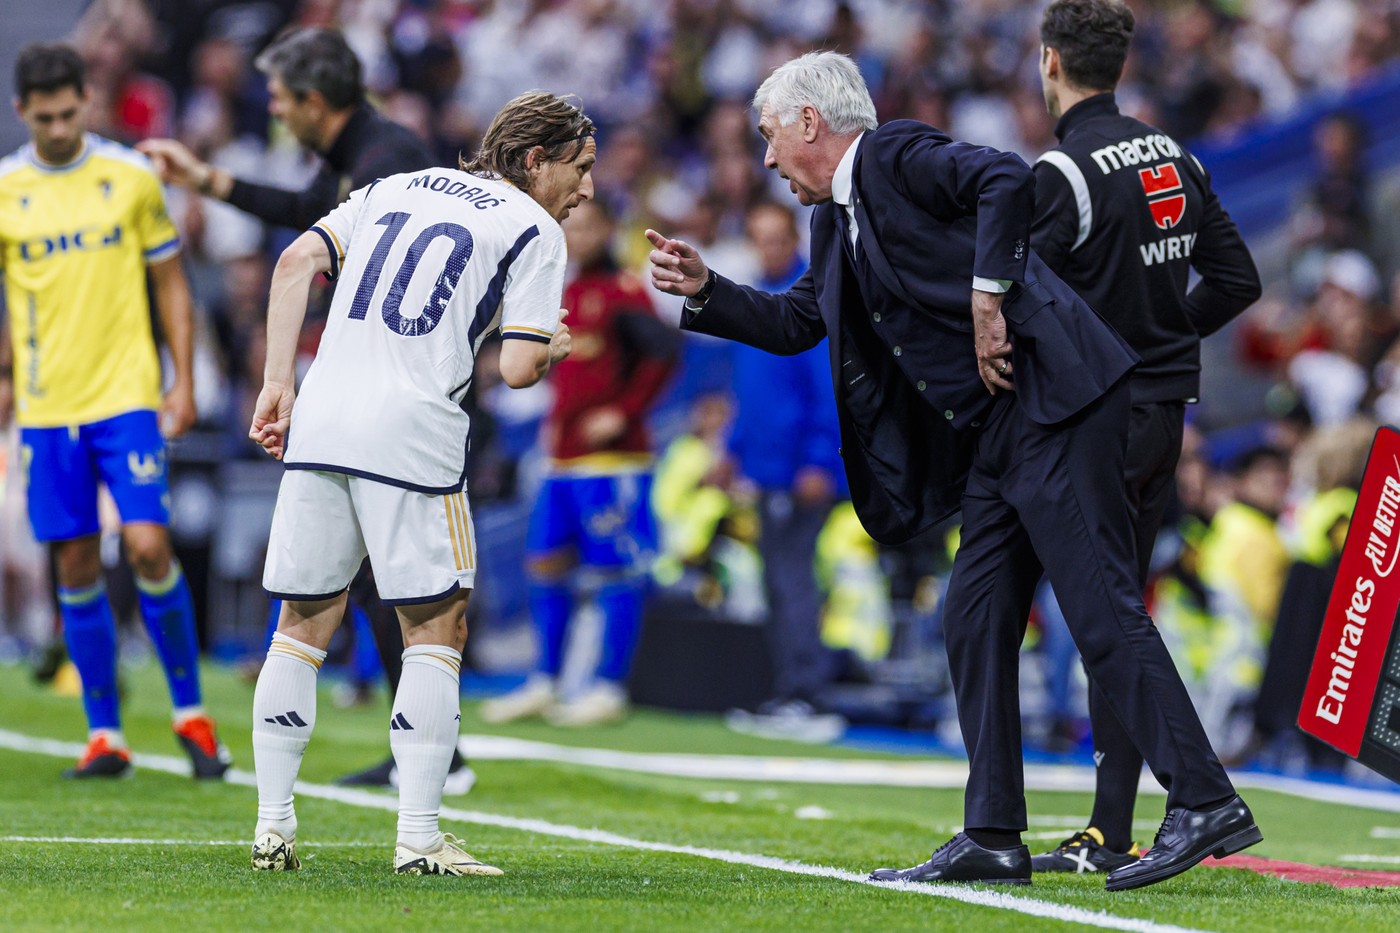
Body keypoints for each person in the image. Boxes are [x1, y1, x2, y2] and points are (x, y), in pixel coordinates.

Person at [646, 51, 1259, 892]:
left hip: (1058, 402)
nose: (765, 160)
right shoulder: (834, 223)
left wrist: (986, 291)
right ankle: (993, 832)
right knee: (972, 615)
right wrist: (708, 288)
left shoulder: (894, 155)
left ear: (808, 124)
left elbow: (1006, 178)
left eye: (769, 137)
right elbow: (798, 320)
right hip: (1000, 436)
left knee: (1099, 607)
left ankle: (1205, 798)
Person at [246, 90, 591, 877]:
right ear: (535, 161)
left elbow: (296, 259)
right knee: (437, 630)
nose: (588, 190)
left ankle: (271, 826)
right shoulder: (534, 228)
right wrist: (550, 348)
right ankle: (421, 836)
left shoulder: (397, 185)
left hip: (323, 417)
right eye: (581, 168)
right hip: (413, 434)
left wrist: (277, 384)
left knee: (301, 621)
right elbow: (514, 366)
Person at [139, 27, 472, 793]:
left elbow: (345, 252)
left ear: (315, 102)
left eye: (284, 101)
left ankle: (435, 753)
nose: (278, 114)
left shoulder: (386, 159)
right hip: (395, 390)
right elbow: (309, 210)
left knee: (411, 580)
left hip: (409, 394)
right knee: (378, 580)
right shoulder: (369, 151)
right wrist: (210, 181)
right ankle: (428, 750)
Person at [1027, 0, 1262, 874]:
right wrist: (1162, 343)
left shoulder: (1062, 171)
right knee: (1117, 608)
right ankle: (1110, 827)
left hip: (1101, 416)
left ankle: (1200, 797)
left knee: (1106, 615)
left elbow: (1023, 304)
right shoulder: (1175, 152)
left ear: (1050, 61)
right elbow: (1238, 278)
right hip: (1166, 412)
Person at [0, 43, 229, 780]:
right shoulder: (6, 189)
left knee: (148, 546)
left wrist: (183, 381)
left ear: (86, 104)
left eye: (70, 113)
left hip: (126, 396)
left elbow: (172, 284)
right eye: (46, 117)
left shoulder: (129, 178)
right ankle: (105, 733)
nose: (60, 127)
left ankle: (191, 714)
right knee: (71, 559)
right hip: (45, 408)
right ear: (21, 112)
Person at [480, 196, 676, 727]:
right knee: (544, 565)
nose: (580, 236)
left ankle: (608, 688)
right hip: (561, 458)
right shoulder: (560, 289)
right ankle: (546, 680)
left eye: (590, 227)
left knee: (614, 571)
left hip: (612, 463)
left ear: (609, 230)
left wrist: (623, 410)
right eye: (573, 226)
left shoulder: (623, 291)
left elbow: (665, 352)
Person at [721, 201, 848, 743]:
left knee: (793, 581)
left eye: (776, 237)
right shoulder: (763, 297)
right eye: (759, 237)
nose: (767, 247)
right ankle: (793, 689)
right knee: (779, 580)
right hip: (769, 469)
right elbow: (750, 393)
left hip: (799, 470)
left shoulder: (806, 296)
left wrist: (819, 461)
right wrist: (732, 449)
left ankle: (808, 694)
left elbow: (828, 392)